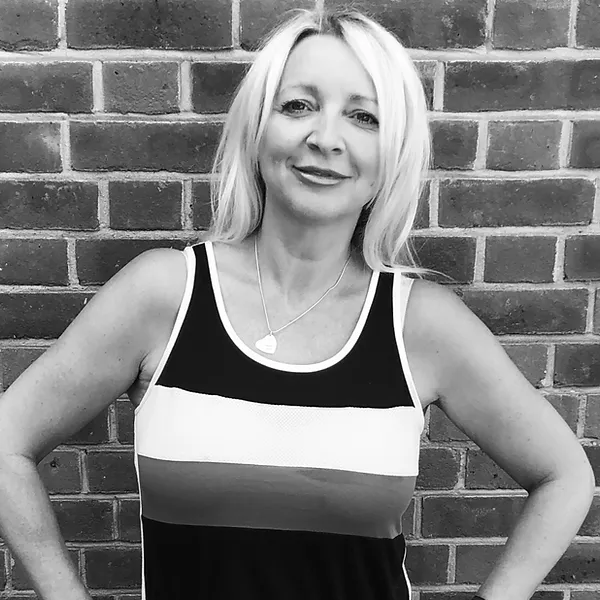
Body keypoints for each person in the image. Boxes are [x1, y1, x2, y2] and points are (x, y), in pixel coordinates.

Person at [0, 7, 594, 600]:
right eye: (298, 106)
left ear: (393, 152)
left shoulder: (420, 323)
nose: (325, 138)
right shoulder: (165, 296)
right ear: (257, 129)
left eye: (363, 116)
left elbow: (565, 477)